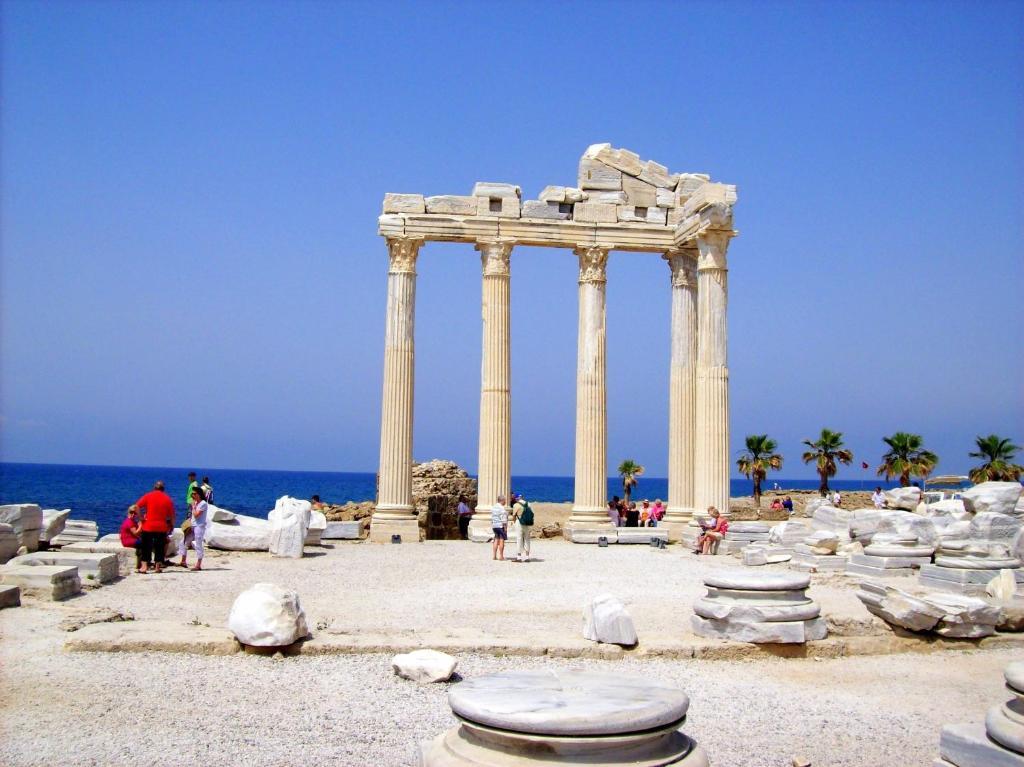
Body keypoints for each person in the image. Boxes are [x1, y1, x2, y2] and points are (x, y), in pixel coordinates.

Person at [132, 480, 175, 574]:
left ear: (154, 487)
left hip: (148, 526)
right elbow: (172, 515)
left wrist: (140, 518)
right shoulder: (167, 498)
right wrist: (172, 525)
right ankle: (157, 567)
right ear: (163, 489)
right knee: (159, 547)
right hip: (161, 527)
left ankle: (144, 567)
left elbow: (136, 506)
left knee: (146, 546)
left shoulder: (148, 495)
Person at [178, 486, 208, 570]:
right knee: (183, 542)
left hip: (199, 526)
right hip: (193, 525)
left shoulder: (203, 504)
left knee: (198, 544)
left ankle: (198, 564)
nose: (193, 495)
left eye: (194, 494)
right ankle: (183, 561)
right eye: (192, 494)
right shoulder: (195, 503)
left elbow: (197, 515)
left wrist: (193, 507)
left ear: (199, 494)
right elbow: (193, 516)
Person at [511, 493, 534, 562]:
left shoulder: (516, 505)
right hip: (527, 523)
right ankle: (527, 557)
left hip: (519, 522)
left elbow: (514, 515)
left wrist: (513, 522)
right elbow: (532, 514)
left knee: (519, 539)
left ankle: (519, 556)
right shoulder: (529, 504)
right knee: (527, 539)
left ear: (516, 498)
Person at [119, 507, 143, 572]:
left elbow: (138, 532)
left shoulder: (133, 521)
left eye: (135, 513)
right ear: (129, 513)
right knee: (144, 544)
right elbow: (135, 533)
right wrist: (141, 525)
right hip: (128, 541)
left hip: (132, 539)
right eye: (132, 513)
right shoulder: (129, 521)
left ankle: (142, 563)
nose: (134, 515)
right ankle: (141, 564)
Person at [490, 494, 508, 561]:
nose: (505, 502)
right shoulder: (502, 508)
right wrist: (505, 529)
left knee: (496, 540)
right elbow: (504, 520)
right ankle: (501, 556)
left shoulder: (493, 507)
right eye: (505, 500)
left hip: (494, 525)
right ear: (502, 500)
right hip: (500, 526)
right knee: (501, 540)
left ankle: (494, 556)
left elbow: (492, 516)